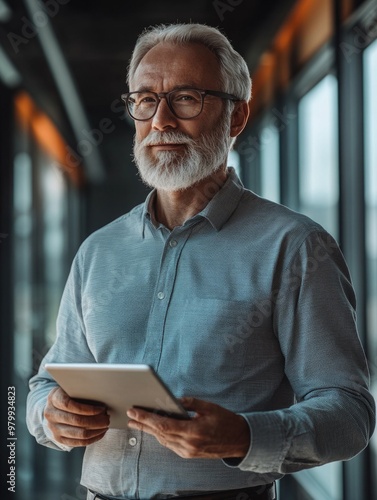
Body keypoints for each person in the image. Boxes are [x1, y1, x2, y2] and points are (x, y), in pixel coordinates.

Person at [27, 23, 375, 500]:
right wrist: (48, 413)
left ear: (236, 117)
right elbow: (45, 381)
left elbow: (351, 413)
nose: (161, 121)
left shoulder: (295, 247)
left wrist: (245, 437)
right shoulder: (98, 250)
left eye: (186, 98)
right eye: (145, 100)